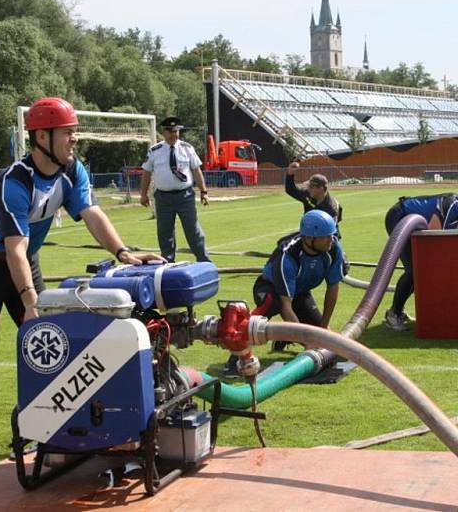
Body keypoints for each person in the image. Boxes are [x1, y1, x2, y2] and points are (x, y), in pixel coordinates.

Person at [0, 98, 163, 461]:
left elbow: (91, 212)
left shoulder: (72, 169)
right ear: (41, 136)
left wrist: (123, 253)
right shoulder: (15, 181)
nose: (75, 139)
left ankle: (54, 428)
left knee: (57, 346)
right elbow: (14, 250)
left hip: (25, 260)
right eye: (68, 133)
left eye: (74, 132)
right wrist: (29, 303)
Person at [224, 210, 346, 376]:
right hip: (271, 289)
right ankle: (236, 357)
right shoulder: (288, 257)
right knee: (270, 304)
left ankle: (284, 335)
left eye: (332, 235)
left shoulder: (334, 249)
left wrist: (324, 328)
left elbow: (333, 288)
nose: (331, 240)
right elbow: (285, 306)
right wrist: (305, 340)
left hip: (300, 292)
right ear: (309, 239)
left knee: (318, 335)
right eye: (326, 236)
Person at [383, 181, 458, 332]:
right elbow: (433, 243)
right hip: (400, 215)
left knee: (422, 270)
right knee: (415, 270)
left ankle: (399, 311)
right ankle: (394, 314)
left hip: (421, 229)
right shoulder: (451, 206)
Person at [139, 117, 211, 262]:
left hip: (184, 196)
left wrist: (204, 192)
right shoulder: (154, 151)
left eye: (176, 131)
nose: (174, 134)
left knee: (193, 230)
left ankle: (204, 261)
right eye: (170, 131)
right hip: (163, 197)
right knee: (165, 233)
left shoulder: (187, 148)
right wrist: (143, 195)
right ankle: (168, 263)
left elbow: (196, 171)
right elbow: (146, 173)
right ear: (164, 132)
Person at [285, 160, 342, 234]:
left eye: (311, 187)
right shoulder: (308, 194)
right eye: (308, 186)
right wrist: (290, 173)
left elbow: (331, 230)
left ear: (321, 189)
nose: (308, 189)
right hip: (309, 232)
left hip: (328, 236)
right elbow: (291, 190)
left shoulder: (331, 207)